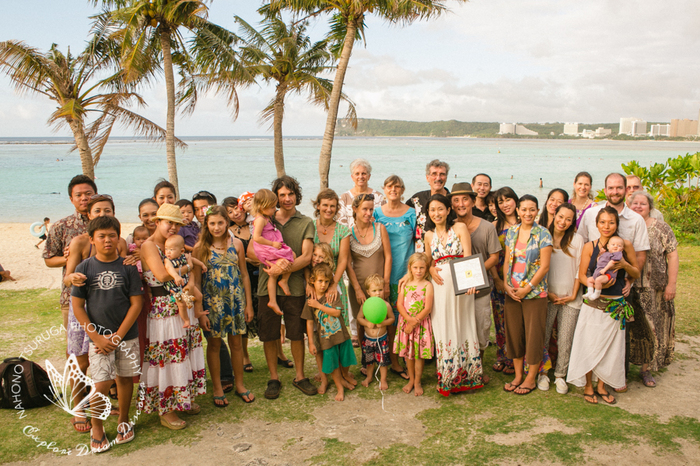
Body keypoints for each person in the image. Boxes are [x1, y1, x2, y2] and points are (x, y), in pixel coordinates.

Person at [71, 216, 143, 452]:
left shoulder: (128, 267)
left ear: (118, 237)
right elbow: (78, 307)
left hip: (127, 335)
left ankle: (124, 419)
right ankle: (97, 427)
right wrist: (97, 337)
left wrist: (118, 335)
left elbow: (135, 304)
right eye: (101, 236)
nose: (107, 240)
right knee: (101, 383)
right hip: (98, 338)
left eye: (112, 235)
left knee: (124, 378)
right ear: (92, 240)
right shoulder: (84, 268)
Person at [62, 194, 130, 430]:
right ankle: (79, 407)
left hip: (110, 309)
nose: (103, 214)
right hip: (83, 308)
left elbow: (124, 267)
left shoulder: (117, 241)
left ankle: (105, 403)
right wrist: (73, 277)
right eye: (98, 211)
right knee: (81, 361)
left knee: (109, 362)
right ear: (89, 214)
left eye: (108, 210)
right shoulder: (80, 242)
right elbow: (67, 276)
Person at [247, 176, 316, 399]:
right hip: (267, 289)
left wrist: (282, 269)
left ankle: (299, 376)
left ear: (297, 195)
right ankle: (274, 378)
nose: (287, 199)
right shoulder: (265, 218)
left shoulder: (305, 222)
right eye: (282, 195)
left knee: (296, 334)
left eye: (290, 194)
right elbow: (250, 252)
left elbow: (306, 257)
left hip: (294, 287)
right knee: (269, 335)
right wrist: (273, 267)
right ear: (275, 198)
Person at [140, 203, 205, 430]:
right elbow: (160, 274)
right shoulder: (150, 246)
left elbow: (189, 275)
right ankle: (165, 409)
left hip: (180, 303)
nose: (173, 228)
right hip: (162, 309)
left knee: (183, 352)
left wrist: (191, 273)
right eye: (169, 223)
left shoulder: (173, 245)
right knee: (166, 358)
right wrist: (189, 265)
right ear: (157, 222)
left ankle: (181, 399)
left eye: (177, 224)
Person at [567, 207, 640, 404]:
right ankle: (588, 385)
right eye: (602, 222)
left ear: (617, 224)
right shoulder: (590, 246)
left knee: (611, 348)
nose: (606, 226)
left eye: (611, 222)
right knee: (589, 344)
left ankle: (602, 385)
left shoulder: (625, 245)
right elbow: (582, 274)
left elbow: (636, 273)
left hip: (615, 306)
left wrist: (624, 265)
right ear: (596, 224)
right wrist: (594, 282)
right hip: (593, 304)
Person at [194, 205, 255, 407]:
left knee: (237, 344)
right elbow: (195, 283)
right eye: (212, 223)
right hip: (212, 304)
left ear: (227, 222)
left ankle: (239, 384)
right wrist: (199, 311)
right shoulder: (200, 248)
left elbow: (244, 275)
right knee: (214, 345)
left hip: (235, 302)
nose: (217, 227)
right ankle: (218, 387)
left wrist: (248, 305)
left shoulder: (236, 244)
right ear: (206, 225)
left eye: (220, 222)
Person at [424, 194, 484, 395]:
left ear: (448, 210)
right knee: (442, 326)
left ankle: (469, 374)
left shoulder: (459, 228)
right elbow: (428, 261)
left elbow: (467, 256)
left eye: (440, 209)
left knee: (463, 322)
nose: (436, 213)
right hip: (439, 289)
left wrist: (471, 282)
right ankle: (448, 376)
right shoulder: (428, 235)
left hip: (461, 287)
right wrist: (431, 269)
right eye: (432, 210)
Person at [502, 194, 553, 396]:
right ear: (518, 211)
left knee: (533, 335)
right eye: (524, 209)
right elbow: (507, 260)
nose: (528, 213)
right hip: (512, 292)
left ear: (537, 211)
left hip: (534, 294)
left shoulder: (543, 234)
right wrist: (506, 285)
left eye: (532, 209)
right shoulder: (512, 232)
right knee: (514, 334)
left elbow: (545, 266)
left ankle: (531, 378)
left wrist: (528, 288)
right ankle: (517, 375)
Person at [450, 182, 501, 379]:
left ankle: (477, 369)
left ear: (472, 201)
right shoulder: (449, 227)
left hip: (481, 287)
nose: (461, 204)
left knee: (481, 328)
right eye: (456, 200)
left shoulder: (487, 227)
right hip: (456, 290)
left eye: (465, 199)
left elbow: (494, 257)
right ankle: (461, 368)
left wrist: (472, 275)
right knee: (460, 329)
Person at [628, 190, 678, 383]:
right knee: (632, 329)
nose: (639, 207)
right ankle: (625, 365)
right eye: (635, 203)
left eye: (643, 204)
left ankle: (646, 368)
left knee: (653, 328)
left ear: (650, 207)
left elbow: (672, 255)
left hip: (654, 286)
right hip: (630, 286)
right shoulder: (626, 226)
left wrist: (671, 284)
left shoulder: (661, 228)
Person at [346, 193, 393, 375]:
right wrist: (357, 289)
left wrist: (386, 283)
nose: (368, 212)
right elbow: (348, 263)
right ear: (355, 209)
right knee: (362, 324)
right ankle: (366, 362)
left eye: (371, 209)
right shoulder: (348, 233)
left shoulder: (380, 228)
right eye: (364, 209)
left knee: (384, 320)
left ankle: (385, 360)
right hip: (358, 287)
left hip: (379, 288)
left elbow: (388, 256)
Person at [43, 174, 97, 334]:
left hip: (104, 296)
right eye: (78, 195)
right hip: (72, 296)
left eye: (88, 193)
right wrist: (69, 257)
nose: (84, 198)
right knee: (74, 348)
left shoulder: (105, 223)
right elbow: (49, 259)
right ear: (71, 199)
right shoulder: (61, 226)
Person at [374, 175, 416, 375]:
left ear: (402, 190)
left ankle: (406, 357)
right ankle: (390, 360)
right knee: (387, 320)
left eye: (397, 186)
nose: (393, 190)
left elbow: (419, 243)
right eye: (390, 186)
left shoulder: (411, 214)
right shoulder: (376, 213)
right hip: (382, 274)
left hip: (406, 275)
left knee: (404, 319)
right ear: (384, 189)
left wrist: (412, 272)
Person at [544, 204, 584, 394]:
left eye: (568, 219)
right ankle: (543, 373)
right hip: (547, 296)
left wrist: (574, 294)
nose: (563, 222)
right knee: (543, 335)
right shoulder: (544, 236)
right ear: (554, 214)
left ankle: (560, 374)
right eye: (560, 217)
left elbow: (579, 270)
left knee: (566, 338)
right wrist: (548, 293)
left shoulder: (577, 239)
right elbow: (538, 268)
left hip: (571, 297)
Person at [303, 263, 357, 401]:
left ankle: (345, 375)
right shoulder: (310, 302)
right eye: (320, 281)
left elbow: (337, 312)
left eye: (327, 282)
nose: (323, 285)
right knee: (333, 364)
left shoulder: (332, 295)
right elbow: (309, 323)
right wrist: (310, 343)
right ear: (312, 281)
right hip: (326, 340)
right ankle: (339, 387)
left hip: (342, 336)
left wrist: (319, 306)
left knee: (346, 360)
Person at [394, 253, 434, 396]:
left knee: (418, 356)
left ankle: (417, 381)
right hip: (406, 323)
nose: (418, 271)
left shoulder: (428, 285)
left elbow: (427, 308)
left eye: (422, 268)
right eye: (415, 267)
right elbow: (399, 304)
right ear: (410, 268)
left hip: (420, 325)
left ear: (426, 268)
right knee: (408, 355)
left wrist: (415, 321)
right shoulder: (405, 285)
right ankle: (410, 380)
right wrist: (408, 320)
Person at [252, 189, 296, 316]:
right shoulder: (260, 219)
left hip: (269, 247)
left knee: (273, 274)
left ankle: (273, 300)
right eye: (271, 207)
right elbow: (256, 237)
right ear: (261, 206)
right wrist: (272, 244)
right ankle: (284, 281)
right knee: (291, 255)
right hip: (266, 248)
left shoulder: (266, 216)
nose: (274, 209)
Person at [490, 187, 519, 375]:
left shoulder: (526, 221)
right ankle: (503, 356)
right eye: (500, 202)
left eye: (508, 200)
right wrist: (497, 280)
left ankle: (517, 357)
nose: (505, 204)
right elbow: (490, 255)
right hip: (500, 279)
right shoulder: (494, 226)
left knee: (517, 321)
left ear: (515, 200)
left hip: (520, 280)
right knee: (500, 321)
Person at [357, 274, 394, 390]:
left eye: (380, 290)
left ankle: (383, 379)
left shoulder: (386, 305)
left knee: (382, 361)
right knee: (369, 360)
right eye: (374, 290)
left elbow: (392, 318)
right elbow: (359, 318)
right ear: (368, 292)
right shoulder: (365, 305)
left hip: (381, 339)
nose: (378, 293)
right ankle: (369, 377)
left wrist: (383, 324)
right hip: (368, 339)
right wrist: (367, 324)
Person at [406, 159, 451, 253]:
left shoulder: (453, 201)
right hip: (421, 254)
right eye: (434, 174)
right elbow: (401, 212)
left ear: (446, 177)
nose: (438, 178)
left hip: (446, 255)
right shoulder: (417, 199)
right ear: (427, 178)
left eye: (442, 174)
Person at [162, 234, 206, 328]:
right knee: (181, 304)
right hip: (176, 287)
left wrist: (202, 264)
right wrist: (176, 276)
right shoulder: (167, 260)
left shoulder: (184, 256)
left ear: (181, 250)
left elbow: (193, 260)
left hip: (186, 283)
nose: (168, 252)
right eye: (166, 249)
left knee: (199, 296)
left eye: (171, 249)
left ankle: (197, 312)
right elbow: (169, 269)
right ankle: (186, 320)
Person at [337, 158, 385, 229]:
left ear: (369, 176)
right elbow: (341, 225)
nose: (360, 177)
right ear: (352, 177)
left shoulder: (379, 197)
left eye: (364, 173)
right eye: (357, 174)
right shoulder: (344, 198)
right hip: (349, 237)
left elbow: (384, 221)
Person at [581, 236, 625, 301]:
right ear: (608, 246)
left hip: (608, 275)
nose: (615, 246)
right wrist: (601, 255)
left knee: (598, 280)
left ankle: (597, 293)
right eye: (613, 245)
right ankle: (590, 292)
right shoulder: (607, 254)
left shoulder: (617, 254)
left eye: (619, 246)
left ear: (622, 249)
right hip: (599, 273)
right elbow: (599, 261)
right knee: (589, 280)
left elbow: (612, 262)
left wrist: (605, 269)